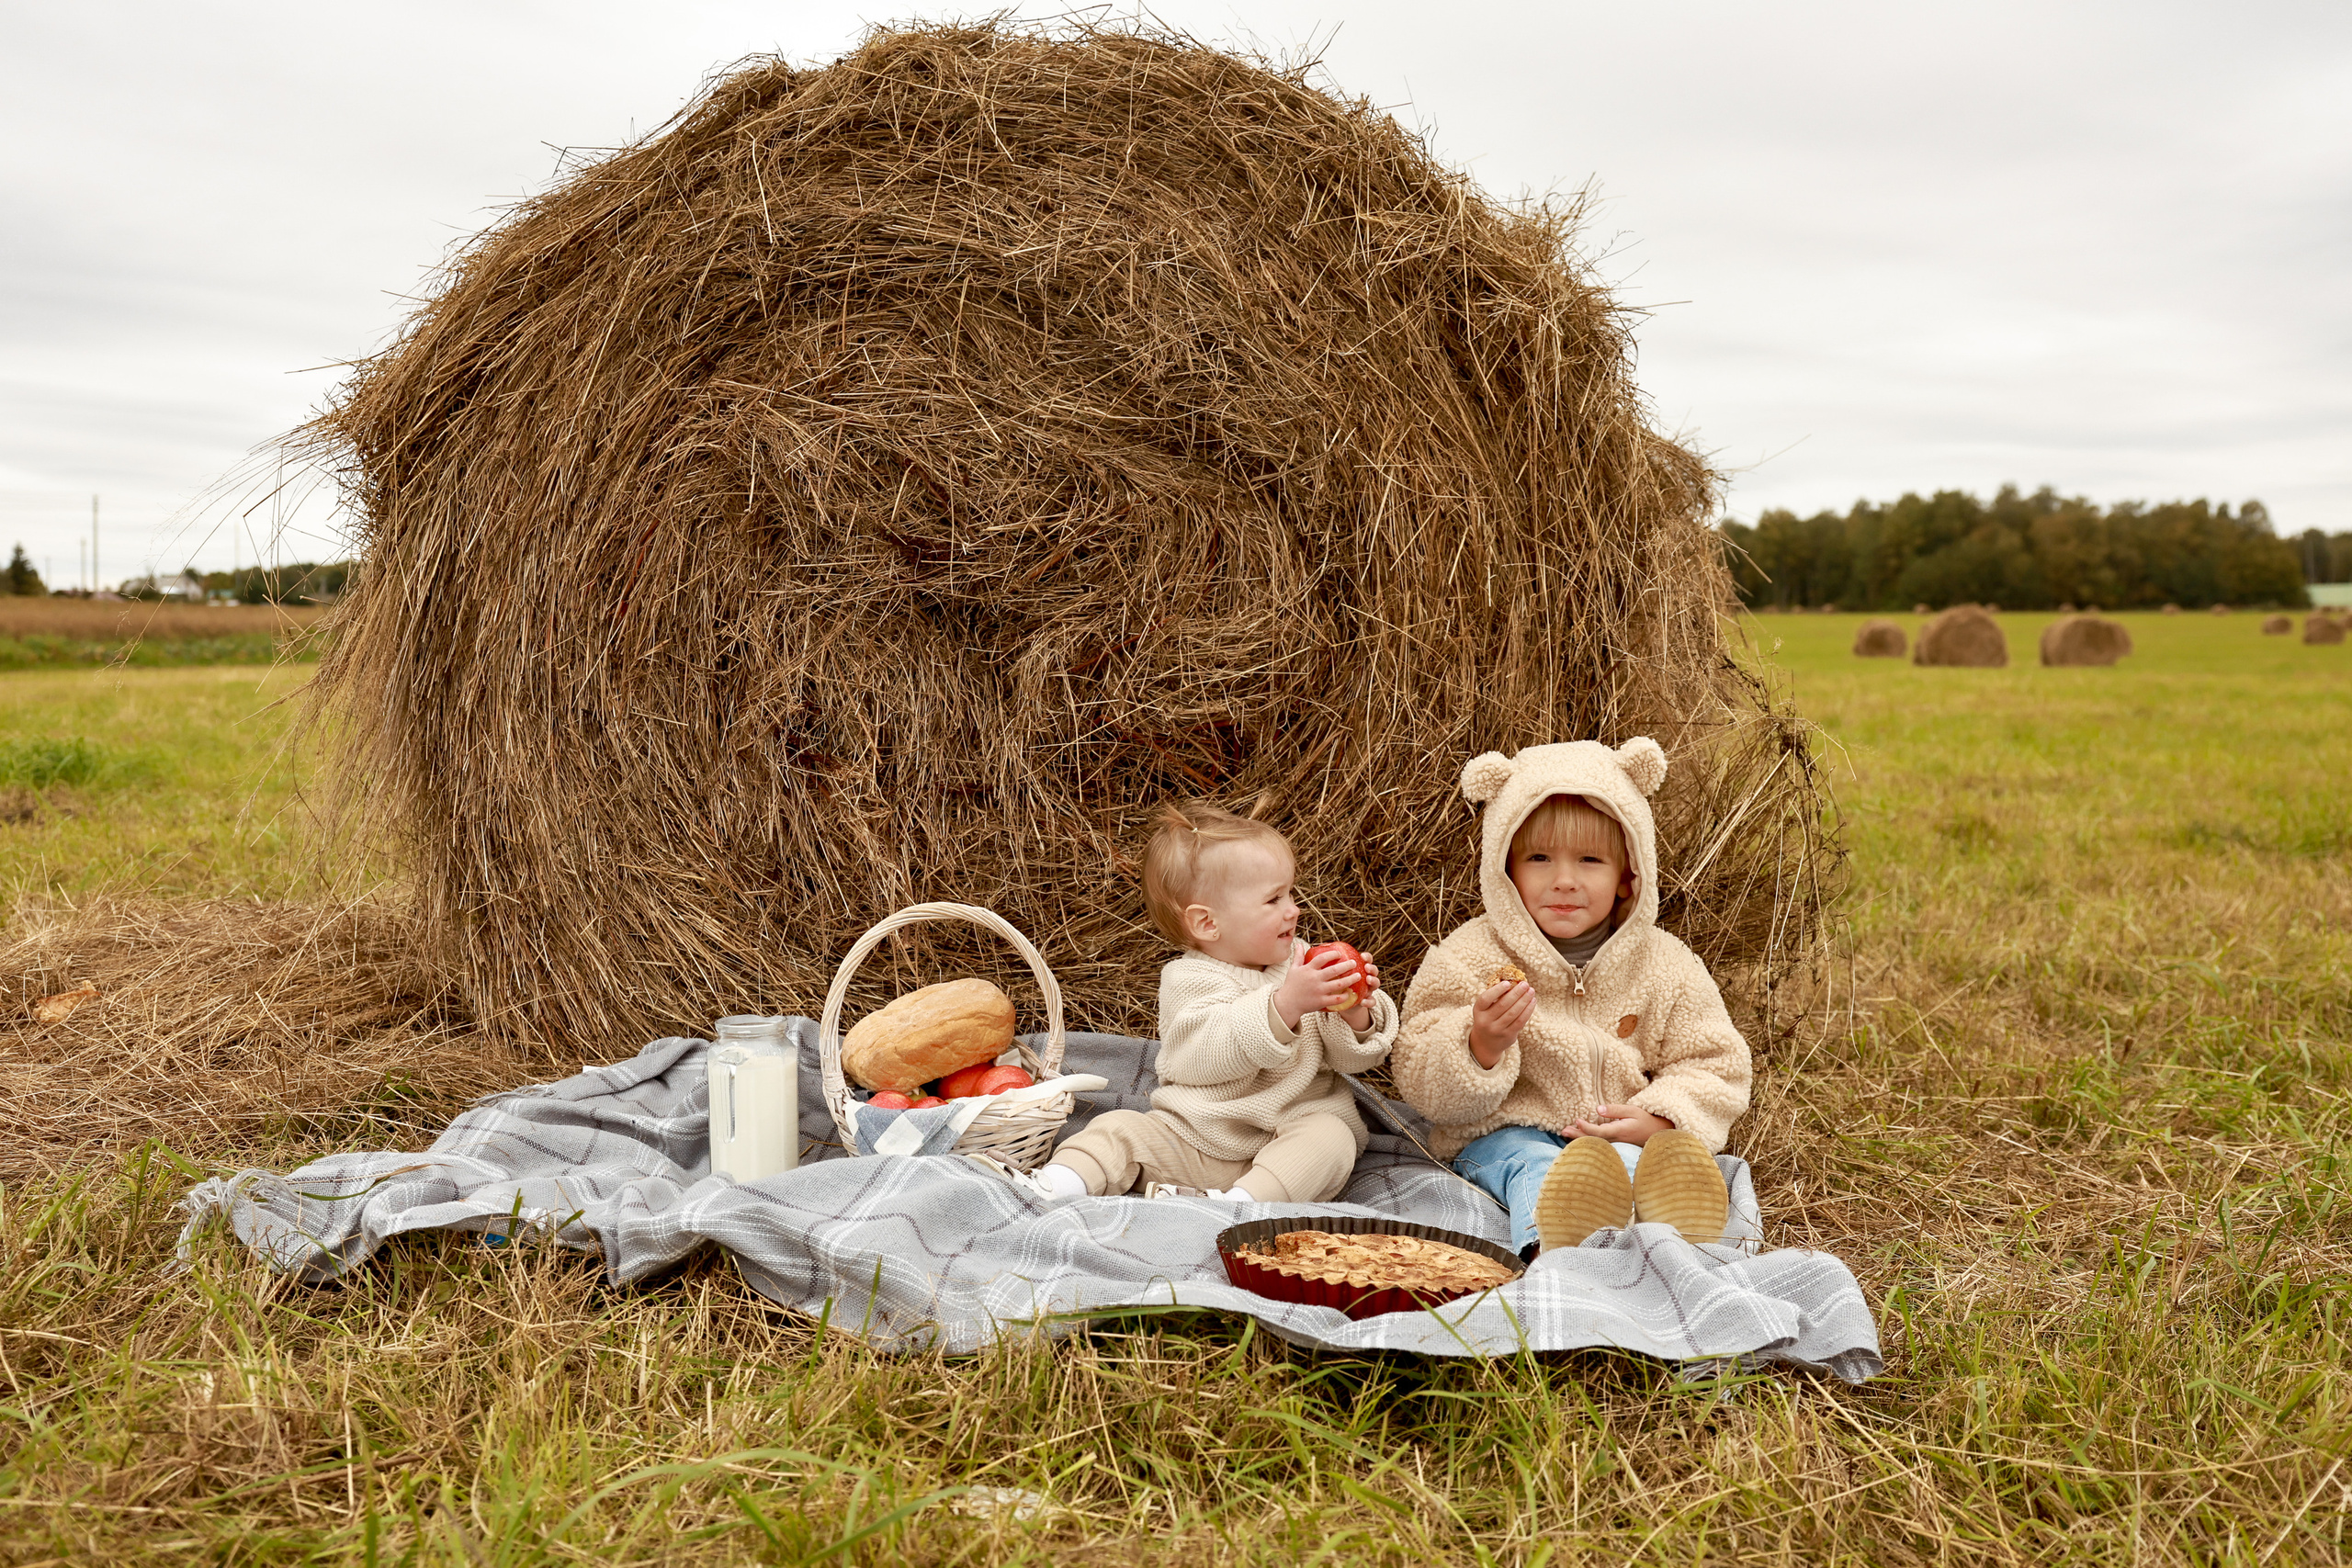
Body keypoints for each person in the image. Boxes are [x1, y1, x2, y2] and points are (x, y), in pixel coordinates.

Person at [1391, 739, 1749, 1258]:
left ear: (1628, 875)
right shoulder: (1469, 957)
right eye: (1539, 858)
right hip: (1504, 1135)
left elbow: (1716, 1063)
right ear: (1505, 868)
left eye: (1589, 860)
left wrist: (1660, 1119)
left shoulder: (1663, 963)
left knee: (1637, 1169)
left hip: (1612, 1134)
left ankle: (1667, 1245)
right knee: (1538, 1168)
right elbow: (1418, 1072)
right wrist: (1479, 1045)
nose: (1564, 881)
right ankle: (1562, 1254)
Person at [997, 801, 1398, 1202]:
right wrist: (1284, 1007)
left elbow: (1353, 1060)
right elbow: (1199, 1057)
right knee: (1119, 1129)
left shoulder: (1304, 963)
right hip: (1201, 1141)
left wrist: (1354, 1013)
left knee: (1333, 1135)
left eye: (1290, 893)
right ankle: (1055, 1185)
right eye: (1273, 899)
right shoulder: (1188, 980)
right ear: (1208, 923)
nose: (1293, 909)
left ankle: (1238, 1205)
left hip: (1291, 1143)